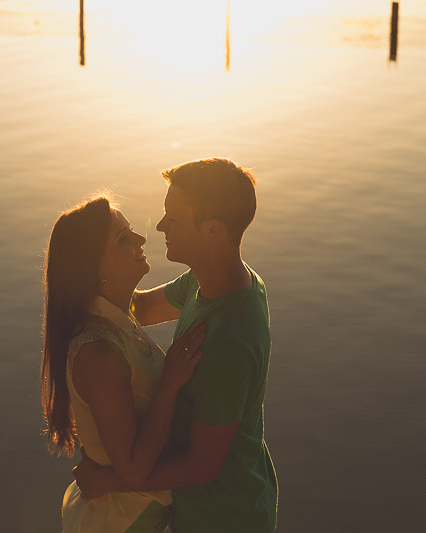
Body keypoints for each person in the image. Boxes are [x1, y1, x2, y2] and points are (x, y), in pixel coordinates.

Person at [73, 158, 278, 532]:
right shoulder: (210, 282)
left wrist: (106, 481)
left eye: (173, 219)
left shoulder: (227, 341)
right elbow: (141, 307)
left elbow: (202, 465)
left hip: (224, 515)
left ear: (212, 230)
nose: (159, 226)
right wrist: (87, 277)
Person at [41, 195, 208, 533]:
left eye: (131, 231)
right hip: (120, 522)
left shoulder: (121, 312)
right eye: (123, 239)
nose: (141, 239)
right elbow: (133, 470)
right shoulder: (99, 353)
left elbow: (200, 285)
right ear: (95, 270)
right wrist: (170, 384)